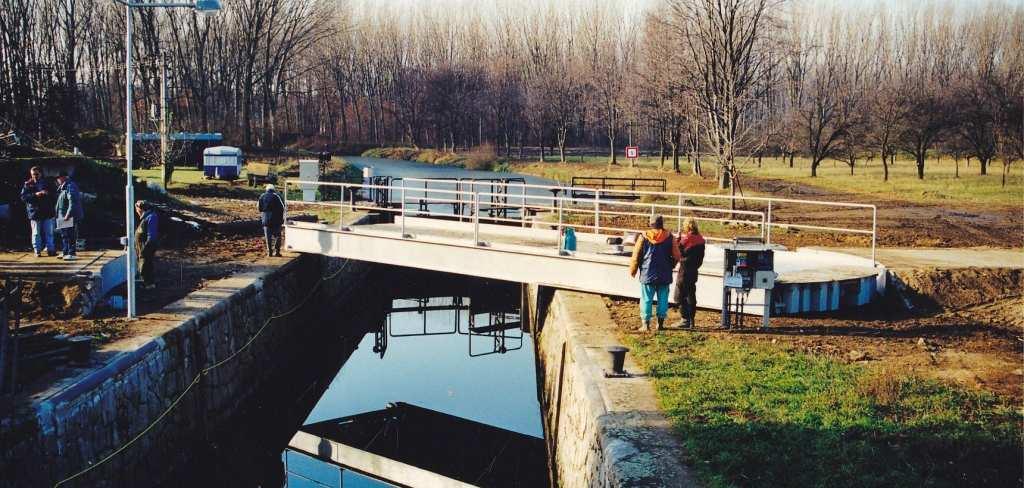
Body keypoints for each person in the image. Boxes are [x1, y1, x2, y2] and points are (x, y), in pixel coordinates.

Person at [628, 215, 682, 332]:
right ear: (662, 224)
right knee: (663, 298)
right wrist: (671, 265)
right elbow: (677, 255)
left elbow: (636, 255)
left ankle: (645, 325)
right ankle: (660, 324)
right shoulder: (670, 237)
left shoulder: (643, 237)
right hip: (665, 273)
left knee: (646, 298)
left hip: (647, 273)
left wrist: (633, 270)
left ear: (651, 224)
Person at [673, 218, 706, 328]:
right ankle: (691, 320)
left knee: (679, 295)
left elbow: (677, 250)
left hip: (684, 270)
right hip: (694, 270)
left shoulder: (687, 239)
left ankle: (684, 319)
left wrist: (677, 239)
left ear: (687, 227)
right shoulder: (701, 239)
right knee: (691, 294)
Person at [20, 166, 56, 257]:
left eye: (36, 174)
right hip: (34, 213)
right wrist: (35, 195)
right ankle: (37, 251)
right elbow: (23, 197)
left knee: (49, 233)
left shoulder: (47, 183)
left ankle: (51, 250)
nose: (35, 176)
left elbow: (54, 195)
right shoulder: (27, 184)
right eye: (33, 174)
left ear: (41, 173)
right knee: (36, 233)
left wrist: (47, 194)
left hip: (47, 212)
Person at [55, 170, 84, 261]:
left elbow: (72, 202)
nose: (57, 180)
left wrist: (68, 214)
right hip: (62, 214)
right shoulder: (62, 187)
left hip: (68, 215)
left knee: (70, 234)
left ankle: (72, 253)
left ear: (64, 177)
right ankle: (65, 252)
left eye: (58, 178)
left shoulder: (70, 186)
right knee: (64, 234)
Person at [135, 200, 160, 289]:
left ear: (140, 209)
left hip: (146, 250)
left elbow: (151, 236)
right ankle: (147, 285)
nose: (137, 212)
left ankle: (149, 287)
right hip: (141, 250)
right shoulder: (145, 218)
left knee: (145, 268)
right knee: (144, 267)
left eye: (137, 209)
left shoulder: (151, 217)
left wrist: (144, 250)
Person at [258, 184, 285, 257]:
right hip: (276, 220)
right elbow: (283, 207)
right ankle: (277, 252)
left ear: (266, 189)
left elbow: (259, 208)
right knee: (277, 236)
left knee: (268, 237)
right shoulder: (277, 196)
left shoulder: (262, 196)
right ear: (273, 189)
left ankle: (269, 252)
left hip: (266, 220)